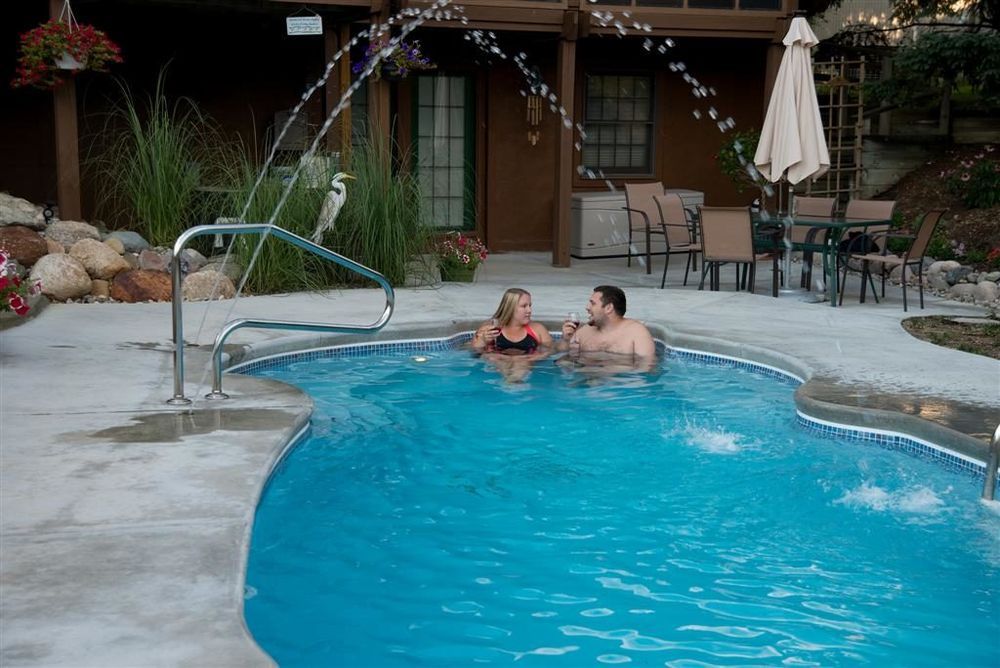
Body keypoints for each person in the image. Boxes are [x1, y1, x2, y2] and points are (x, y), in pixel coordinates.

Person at [560, 285, 656, 363]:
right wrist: (566, 341)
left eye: (592, 303)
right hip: (586, 380)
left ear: (608, 308)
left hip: (620, 383)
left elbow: (646, 368)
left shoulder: (636, 333)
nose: (587, 307)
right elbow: (561, 355)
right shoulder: (583, 332)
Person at [472, 288, 554, 355]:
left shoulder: (538, 329)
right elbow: (474, 352)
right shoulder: (490, 328)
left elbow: (550, 351)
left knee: (519, 366)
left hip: (525, 363)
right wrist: (482, 341)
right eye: (524, 306)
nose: (529, 310)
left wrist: (527, 359)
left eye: (530, 305)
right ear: (510, 308)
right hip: (498, 363)